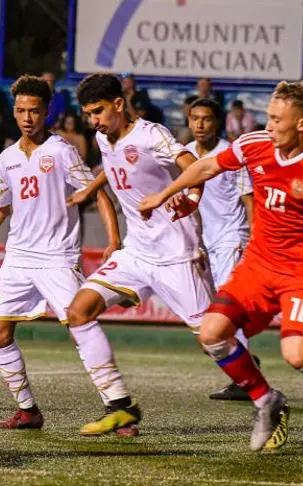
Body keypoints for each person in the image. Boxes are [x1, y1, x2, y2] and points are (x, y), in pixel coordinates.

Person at [137, 80, 303, 451]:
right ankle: (266, 400)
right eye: (267, 117)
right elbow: (205, 167)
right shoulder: (255, 144)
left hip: (300, 274)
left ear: (301, 124)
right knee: (211, 334)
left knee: (298, 356)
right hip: (257, 265)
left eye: (275, 119)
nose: (267, 125)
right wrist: (164, 194)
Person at [0, 75, 129, 433]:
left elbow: (99, 193)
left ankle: (118, 407)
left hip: (57, 257)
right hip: (18, 257)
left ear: (46, 111)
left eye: (34, 111)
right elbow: (1, 207)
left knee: (79, 327)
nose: (27, 118)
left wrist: (114, 240)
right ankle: (28, 412)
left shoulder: (62, 151)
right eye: (20, 110)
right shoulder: (6, 159)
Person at [65, 73, 214, 436]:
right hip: (137, 252)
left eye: (98, 111)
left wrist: (192, 197)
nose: (93, 121)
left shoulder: (152, 135)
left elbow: (191, 164)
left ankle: (267, 399)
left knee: (214, 338)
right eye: (87, 114)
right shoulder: (103, 137)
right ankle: (121, 406)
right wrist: (91, 189)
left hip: (177, 252)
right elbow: (115, 166)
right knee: (78, 311)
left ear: (119, 104)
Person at [185, 98, 257, 401]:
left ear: (219, 122)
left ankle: (246, 379)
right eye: (195, 119)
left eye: (207, 119)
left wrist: (255, 237)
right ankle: (246, 364)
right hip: (205, 241)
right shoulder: (184, 154)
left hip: (232, 237)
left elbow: (249, 199)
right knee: (216, 309)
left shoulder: (232, 154)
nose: (200, 125)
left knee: (229, 308)